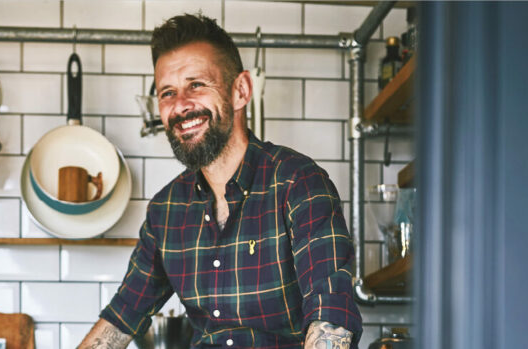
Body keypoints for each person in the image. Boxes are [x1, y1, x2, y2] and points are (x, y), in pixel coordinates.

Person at [79, 13, 362, 349]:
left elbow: (331, 312)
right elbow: (122, 318)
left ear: (240, 90)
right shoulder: (166, 211)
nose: (180, 105)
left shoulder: (298, 183)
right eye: (167, 92)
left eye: (196, 85)